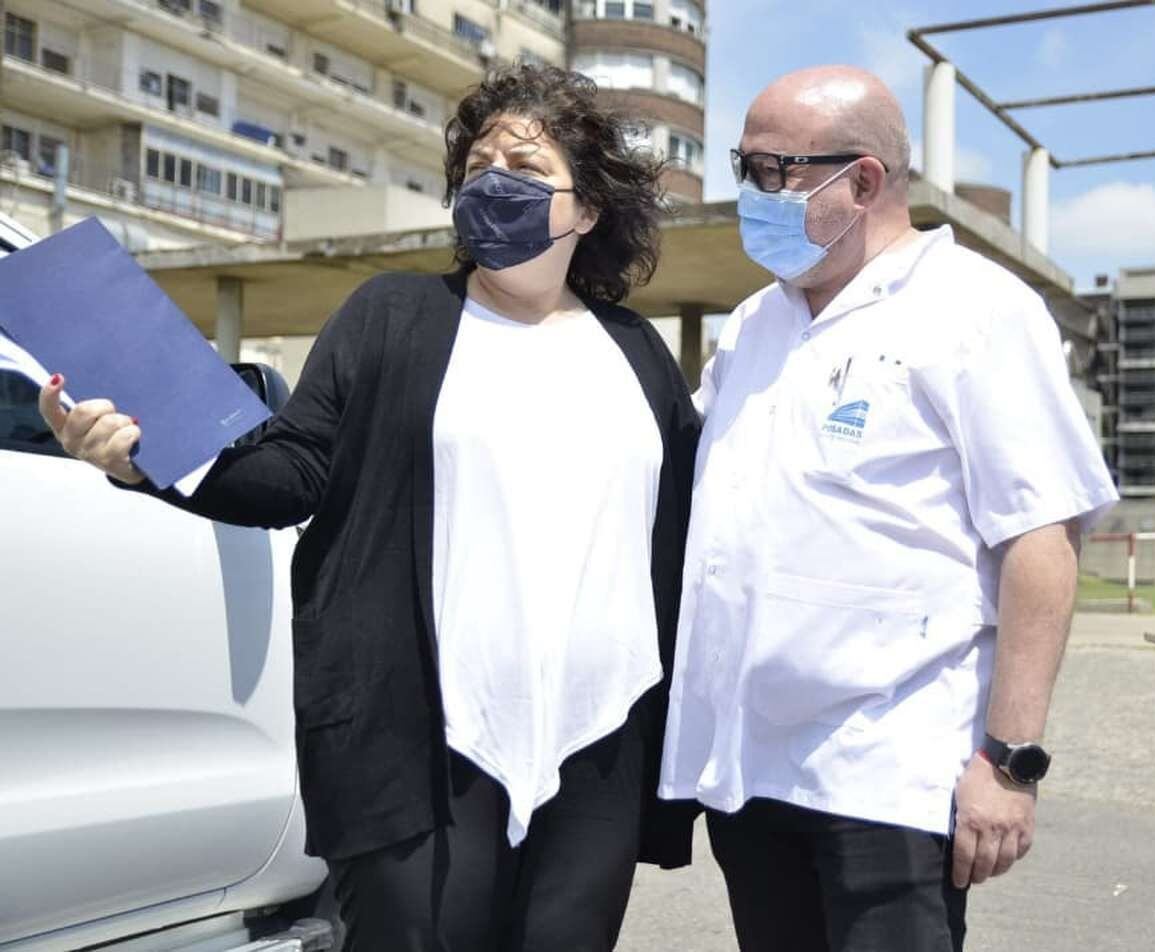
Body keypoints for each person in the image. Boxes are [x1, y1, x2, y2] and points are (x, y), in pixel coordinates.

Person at [38, 64, 700, 951]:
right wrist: (140, 455)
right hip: (423, 743)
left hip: (601, 742)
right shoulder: (395, 315)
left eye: (525, 168)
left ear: (586, 211)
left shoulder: (636, 353)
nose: (492, 182)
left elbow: (694, 525)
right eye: (478, 167)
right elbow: (293, 472)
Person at [658, 66, 1117, 951]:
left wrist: (1010, 764)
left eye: (771, 171)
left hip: (886, 776)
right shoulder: (754, 325)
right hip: (750, 774)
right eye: (743, 166)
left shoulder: (975, 311)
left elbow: (1041, 541)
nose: (749, 194)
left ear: (862, 180)